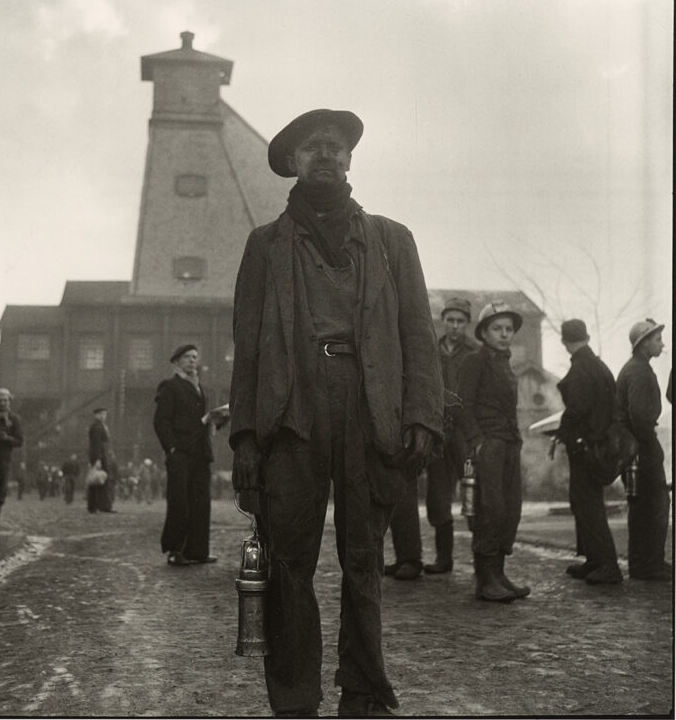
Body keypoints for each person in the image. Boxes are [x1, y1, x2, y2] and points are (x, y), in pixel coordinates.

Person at [230, 109, 444, 718]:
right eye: (310, 148)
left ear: (350, 159)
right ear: (292, 163)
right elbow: (247, 343)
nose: (324, 155)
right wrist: (245, 435)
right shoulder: (265, 245)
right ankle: (296, 698)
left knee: (363, 560)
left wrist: (422, 415)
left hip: (370, 405)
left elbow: (417, 335)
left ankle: (365, 690)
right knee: (289, 559)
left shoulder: (392, 240)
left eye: (335, 147)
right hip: (291, 412)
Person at [458, 301, 530, 603]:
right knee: (490, 509)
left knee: (510, 510)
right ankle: (485, 579)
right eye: (497, 328)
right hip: (488, 445)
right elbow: (462, 404)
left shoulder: (504, 363)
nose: (504, 334)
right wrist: (477, 441)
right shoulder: (475, 361)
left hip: (508, 444)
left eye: (508, 329)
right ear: (484, 333)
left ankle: (499, 574)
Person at [555, 319, 622, 584]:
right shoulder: (598, 366)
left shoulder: (581, 367)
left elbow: (578, 408)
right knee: (587, 501)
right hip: (599, 445)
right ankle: (595, 560)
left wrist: (562, 429)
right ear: (587, 337)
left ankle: (607, 564)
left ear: (564, 342)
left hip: (585, 446)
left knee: (586, 503)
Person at [424, 297, 477, 574]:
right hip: (439, 434)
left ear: (467, 324)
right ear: (443, 321)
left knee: (473, 492)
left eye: (460, 321)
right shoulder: (432, 349)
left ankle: (484, 561)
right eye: (450, 320)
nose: (455, 326)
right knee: (438, 496)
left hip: (466, 435)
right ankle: (444, 558)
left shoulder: (475, 352)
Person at [616, 319, 671, 581]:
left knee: (643, 506)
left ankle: (644, 563)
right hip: (641, 449)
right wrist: (651, 447)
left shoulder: (636, 369)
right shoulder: (638, 372)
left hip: (634, 448)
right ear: (643, 343)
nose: (662, 344)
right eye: (658, 339)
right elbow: (639, 416)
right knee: (654, 505)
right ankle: (649, 565)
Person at [154, 344, 217, 566]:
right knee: (180, 502)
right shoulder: (170, 387)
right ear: (177, 361)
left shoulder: (199, 387)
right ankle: (175, 550)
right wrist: (171, 448)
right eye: (188, 357)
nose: (193, 361)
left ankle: (198, 551)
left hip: (200, 453)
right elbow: (161, 421)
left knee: (201, 503)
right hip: (181, 453)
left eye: (195, 357)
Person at [0, 388, 23, 529]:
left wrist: (7, 438)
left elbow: (19, 441)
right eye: (0, 400)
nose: (3, 403)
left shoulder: (14, 419)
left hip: (4, 459)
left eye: (6, 400)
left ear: (10, 402)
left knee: (1, 489)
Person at [88, 407, 115, 514]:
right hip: (99, 456)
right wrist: (98, 459)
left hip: (100, 455)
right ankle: (98, 506)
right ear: (96, 415)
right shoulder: (97, 427)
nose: (104, 416)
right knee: (97, 480)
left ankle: (99, 505)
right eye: (102, 414)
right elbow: (96, 444)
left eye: (105, 414)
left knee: (99, 480)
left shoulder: (99, 426)